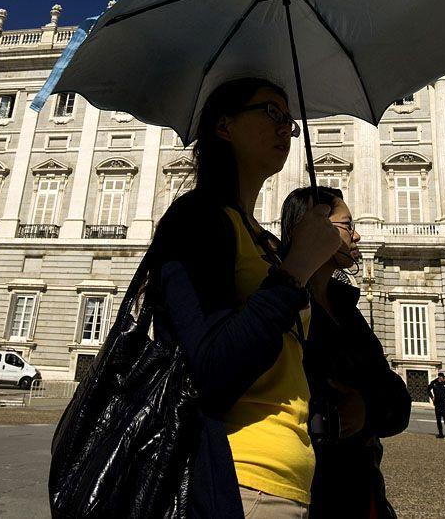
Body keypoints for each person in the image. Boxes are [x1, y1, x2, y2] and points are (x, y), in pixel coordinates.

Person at [147, 77, 344, 518]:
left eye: (289, 120)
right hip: (238, 475)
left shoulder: (264, 241)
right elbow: (212, 368)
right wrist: (294, 271)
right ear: (224, 126)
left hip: (288, 480)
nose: (285, 128)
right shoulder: (197, 219)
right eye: (270, 112)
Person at [278, 185, 411, 518]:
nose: (358, 236)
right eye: (347, 225)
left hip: (359, 484)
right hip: (308, 487)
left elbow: (396, 397)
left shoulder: (346, 306)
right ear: (313, 226)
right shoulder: (282, 302)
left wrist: (365, 409)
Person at [428, 372, 445, 438]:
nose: (444, 378)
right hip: (437, 404)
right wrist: (432, 397)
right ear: (439, 377)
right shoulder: (434, 383)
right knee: (438, 420)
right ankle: (440, 433)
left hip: (444, 404)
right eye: (443, 377)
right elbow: (428, 389)